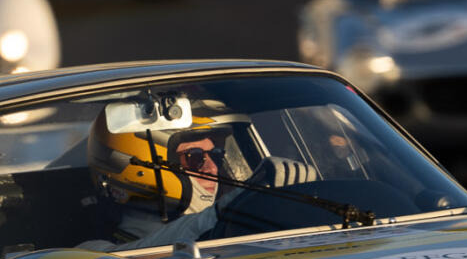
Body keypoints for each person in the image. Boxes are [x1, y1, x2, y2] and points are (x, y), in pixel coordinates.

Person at [87, 100, 318, 249]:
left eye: (217, 155)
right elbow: (148, 252)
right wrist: (233, 207)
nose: (213, 169)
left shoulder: (234, 232)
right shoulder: (92, 251)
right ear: (138, 163)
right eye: (194, 157)